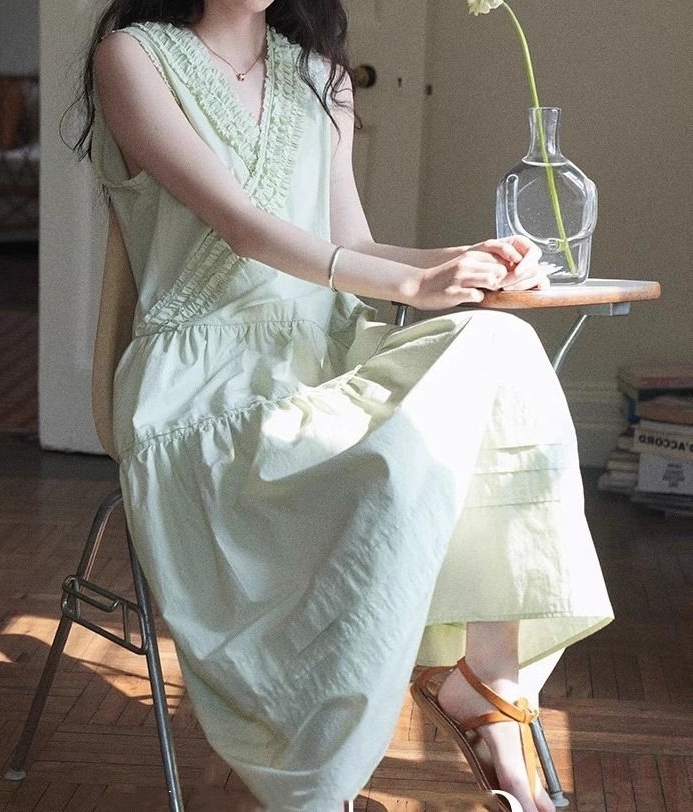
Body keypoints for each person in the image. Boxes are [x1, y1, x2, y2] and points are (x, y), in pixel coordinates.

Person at [75, 1, 613, 809]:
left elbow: (352, 242)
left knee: (501, 344)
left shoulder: (318, 75)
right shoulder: (133, 57)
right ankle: (323, 767)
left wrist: (462, 260)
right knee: (396, 466)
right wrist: (414, 282)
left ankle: (486, 681)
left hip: (327, 351)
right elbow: (240, 225)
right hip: (208, 383)